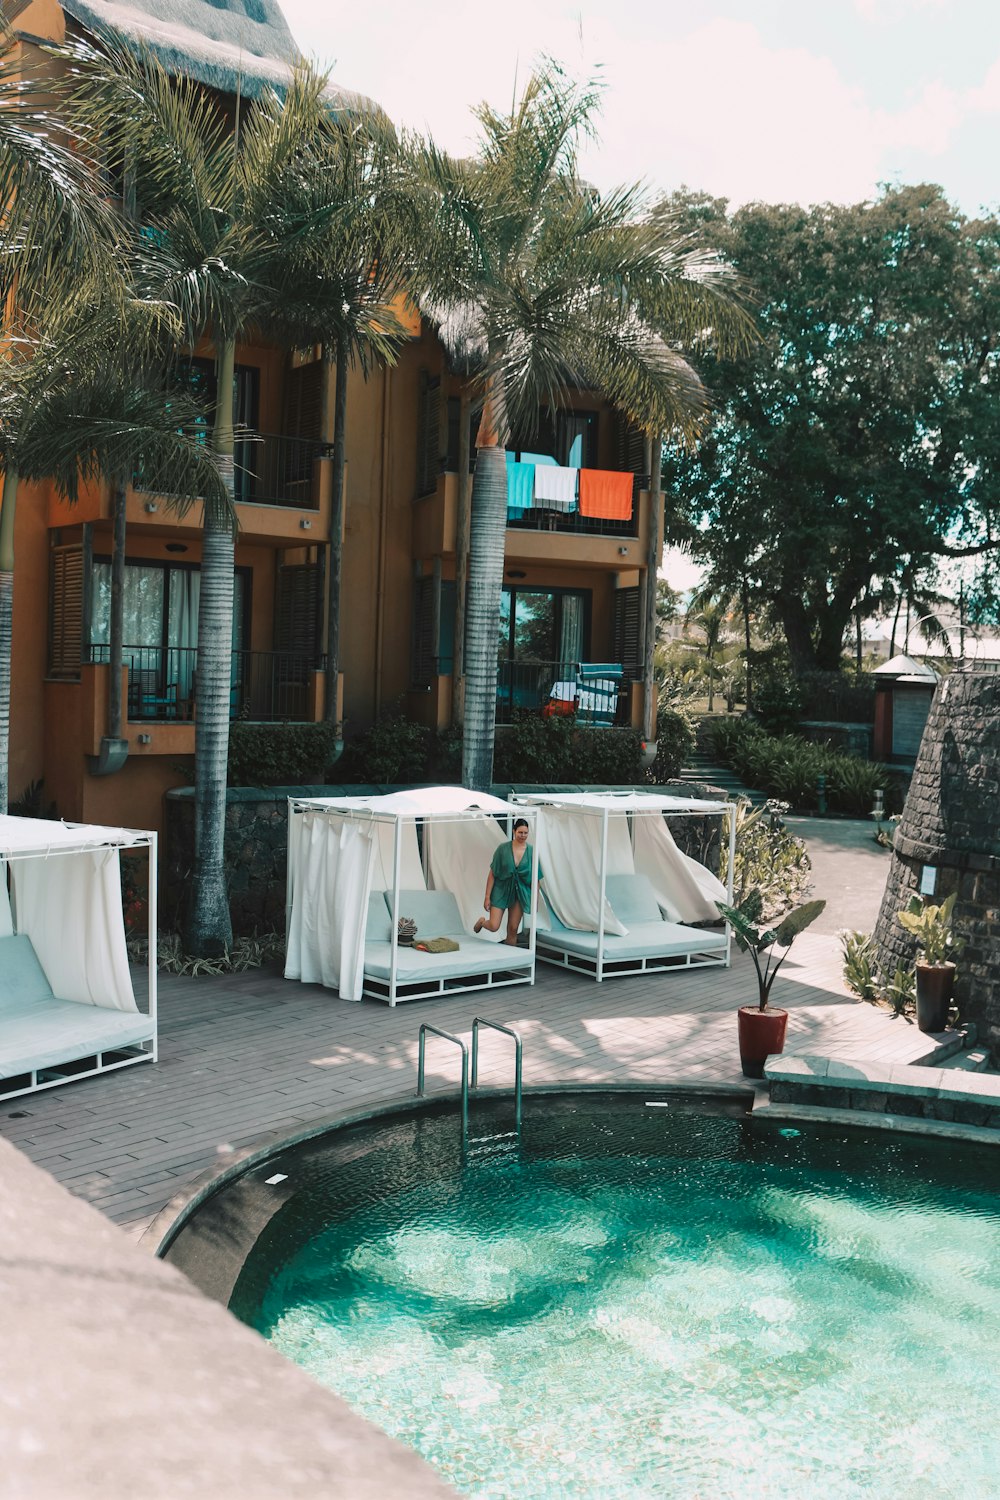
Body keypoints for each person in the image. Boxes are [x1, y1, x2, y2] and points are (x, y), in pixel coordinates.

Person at [474, 818, 541, 946]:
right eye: (520, 832)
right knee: (494, 926)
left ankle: (511, 961)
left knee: (513, 928)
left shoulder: (532, 851)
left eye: (525, 833)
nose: (523, 836)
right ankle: (482, 922)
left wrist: (535, 900)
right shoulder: (503, 849)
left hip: (519, 893)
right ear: (514, 831)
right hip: (501, 890)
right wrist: (487, 897)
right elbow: (492, 873)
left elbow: (536, 879)